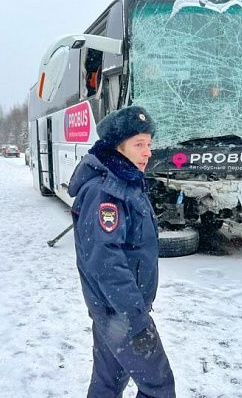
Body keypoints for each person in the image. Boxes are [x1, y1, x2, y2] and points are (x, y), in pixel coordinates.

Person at [68, 106, 176, 397]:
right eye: (139, 145)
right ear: (118, 148)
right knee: (159, 387)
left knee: (108, 383)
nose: (147, 153)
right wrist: (137, 319)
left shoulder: (126, 184)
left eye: (149, 144)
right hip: (123, 315)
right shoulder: (106, 193)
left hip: (114, 312)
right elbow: (105, 262)